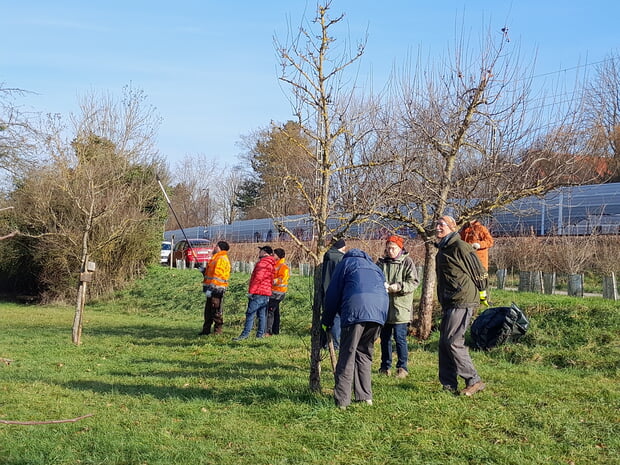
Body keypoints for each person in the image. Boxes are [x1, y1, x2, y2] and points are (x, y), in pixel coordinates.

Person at [321, 248, 388, 410]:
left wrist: (326, 321)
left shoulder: (345, 264)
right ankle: (365, 397)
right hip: (379, 314)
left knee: (347, 355)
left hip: (356, 311)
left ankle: (342, 401)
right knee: (364, 354)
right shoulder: (375, 267)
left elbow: (332, 294)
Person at [435, 215, 489, 396]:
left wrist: (483, 292)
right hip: (450, 300)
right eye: (436, 224)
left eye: (441, 225)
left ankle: (473, 380)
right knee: (444, 343)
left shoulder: (460, 247)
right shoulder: (442, 249)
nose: (437, 227)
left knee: (453, 340)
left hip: (463, 299)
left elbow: (479, 271)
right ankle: (448, 385)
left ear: (451, 227)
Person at [376, 235, 419, 378]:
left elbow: (414, 282)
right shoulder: (381, 263)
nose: (390, 251)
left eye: (393, 248)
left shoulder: (407, 262)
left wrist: (399, 287)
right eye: (388, 248)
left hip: (401, 307)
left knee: (400, 339)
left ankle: (402, 367)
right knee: (385, 338)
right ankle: (385, 366)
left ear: (400, 248)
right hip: (384, 306)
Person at [233, 246, 276, 341]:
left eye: (260, 251)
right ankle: (260, 335)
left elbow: (257, 279)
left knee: (250, 313)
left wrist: (252, 292)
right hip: (266, 292)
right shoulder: (271, 264)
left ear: (265, 253)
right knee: (262, 315)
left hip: (258, 292)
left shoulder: (262, 264)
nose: (259, 252)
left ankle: (245, 335)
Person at [198, 241, 231, 336]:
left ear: (219, 247)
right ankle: (206, 330)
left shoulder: (221, 259)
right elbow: (212, 274)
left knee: (215, 310)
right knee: (208, 311)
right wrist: (204, 270)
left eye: (216, 246)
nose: (214, 247)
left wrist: (211, 289)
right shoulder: (216, 258)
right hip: (212, 288)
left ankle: (218, 331)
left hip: (217, 289)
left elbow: (217, 276)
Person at [321, 238, 346, 349]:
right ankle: (335, 344)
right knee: (336, 318)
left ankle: (323, 342)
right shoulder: (341, 258)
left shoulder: (325, 256)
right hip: (336, 291)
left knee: (326, 317)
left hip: (325, 290)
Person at [266, 248, 290, 336]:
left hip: (278, 293)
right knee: (275, 311)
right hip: (273, 292)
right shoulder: (274, 265)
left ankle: (268, 331)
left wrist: (271, 281)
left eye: (274, 254)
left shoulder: (284, 267)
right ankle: (275, 330)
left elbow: (281, 279)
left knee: (270, 311)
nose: (272, 255)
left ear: (278, 256)